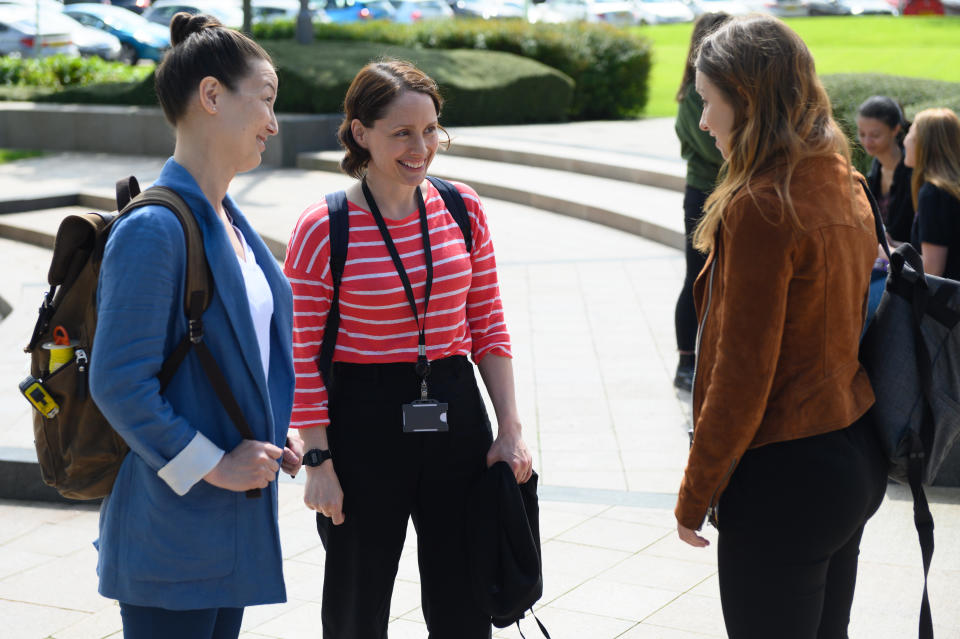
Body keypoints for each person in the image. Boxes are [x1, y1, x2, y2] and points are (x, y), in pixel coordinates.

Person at [283, 59, 533, 638]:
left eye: (431, 130)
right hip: (363, 420)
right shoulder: (324, 226)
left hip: (453, 406)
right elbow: (301, 353)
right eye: (401, 132)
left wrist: (510, 429)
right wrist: (318, 460)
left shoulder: (462, 208)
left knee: (464, 599)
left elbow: (489, 324)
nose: (421, 147)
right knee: (357, 597)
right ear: (360, 133)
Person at [674, 15, 888, 639]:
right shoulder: (840, 179)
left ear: (748, 100)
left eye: (710, 103)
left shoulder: (763, 206)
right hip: (851, 450)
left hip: (786, 472)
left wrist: (695, 492)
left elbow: (743, 374)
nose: (705, 121)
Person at [89, 13, 301, 639]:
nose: (273, 121)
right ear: (212, 96)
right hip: (172, 532)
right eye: (264, 99)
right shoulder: (155, 228)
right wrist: (215, 463)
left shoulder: (230, 224)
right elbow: (119, 383)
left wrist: (265, 433)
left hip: (224, 526)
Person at [672, 11, 730, 392]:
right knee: (696, 277)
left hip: (726, 192)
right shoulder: (695, 94)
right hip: (703, 194)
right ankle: (685, 362)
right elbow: (710, 149)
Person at [857, 95, 913, 324]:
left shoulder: (913, 172)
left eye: (875, 134)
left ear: (895, 130)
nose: (867, 141)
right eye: (861, 134)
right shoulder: (876, 167)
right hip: (882, 261)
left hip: (905, 268)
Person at [904, 107, 960, 279]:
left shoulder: (933, 193)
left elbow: (932, 269)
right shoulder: (950, 187)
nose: (905, 141)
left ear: (924, 145)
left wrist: (888, 253)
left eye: (911, 135)